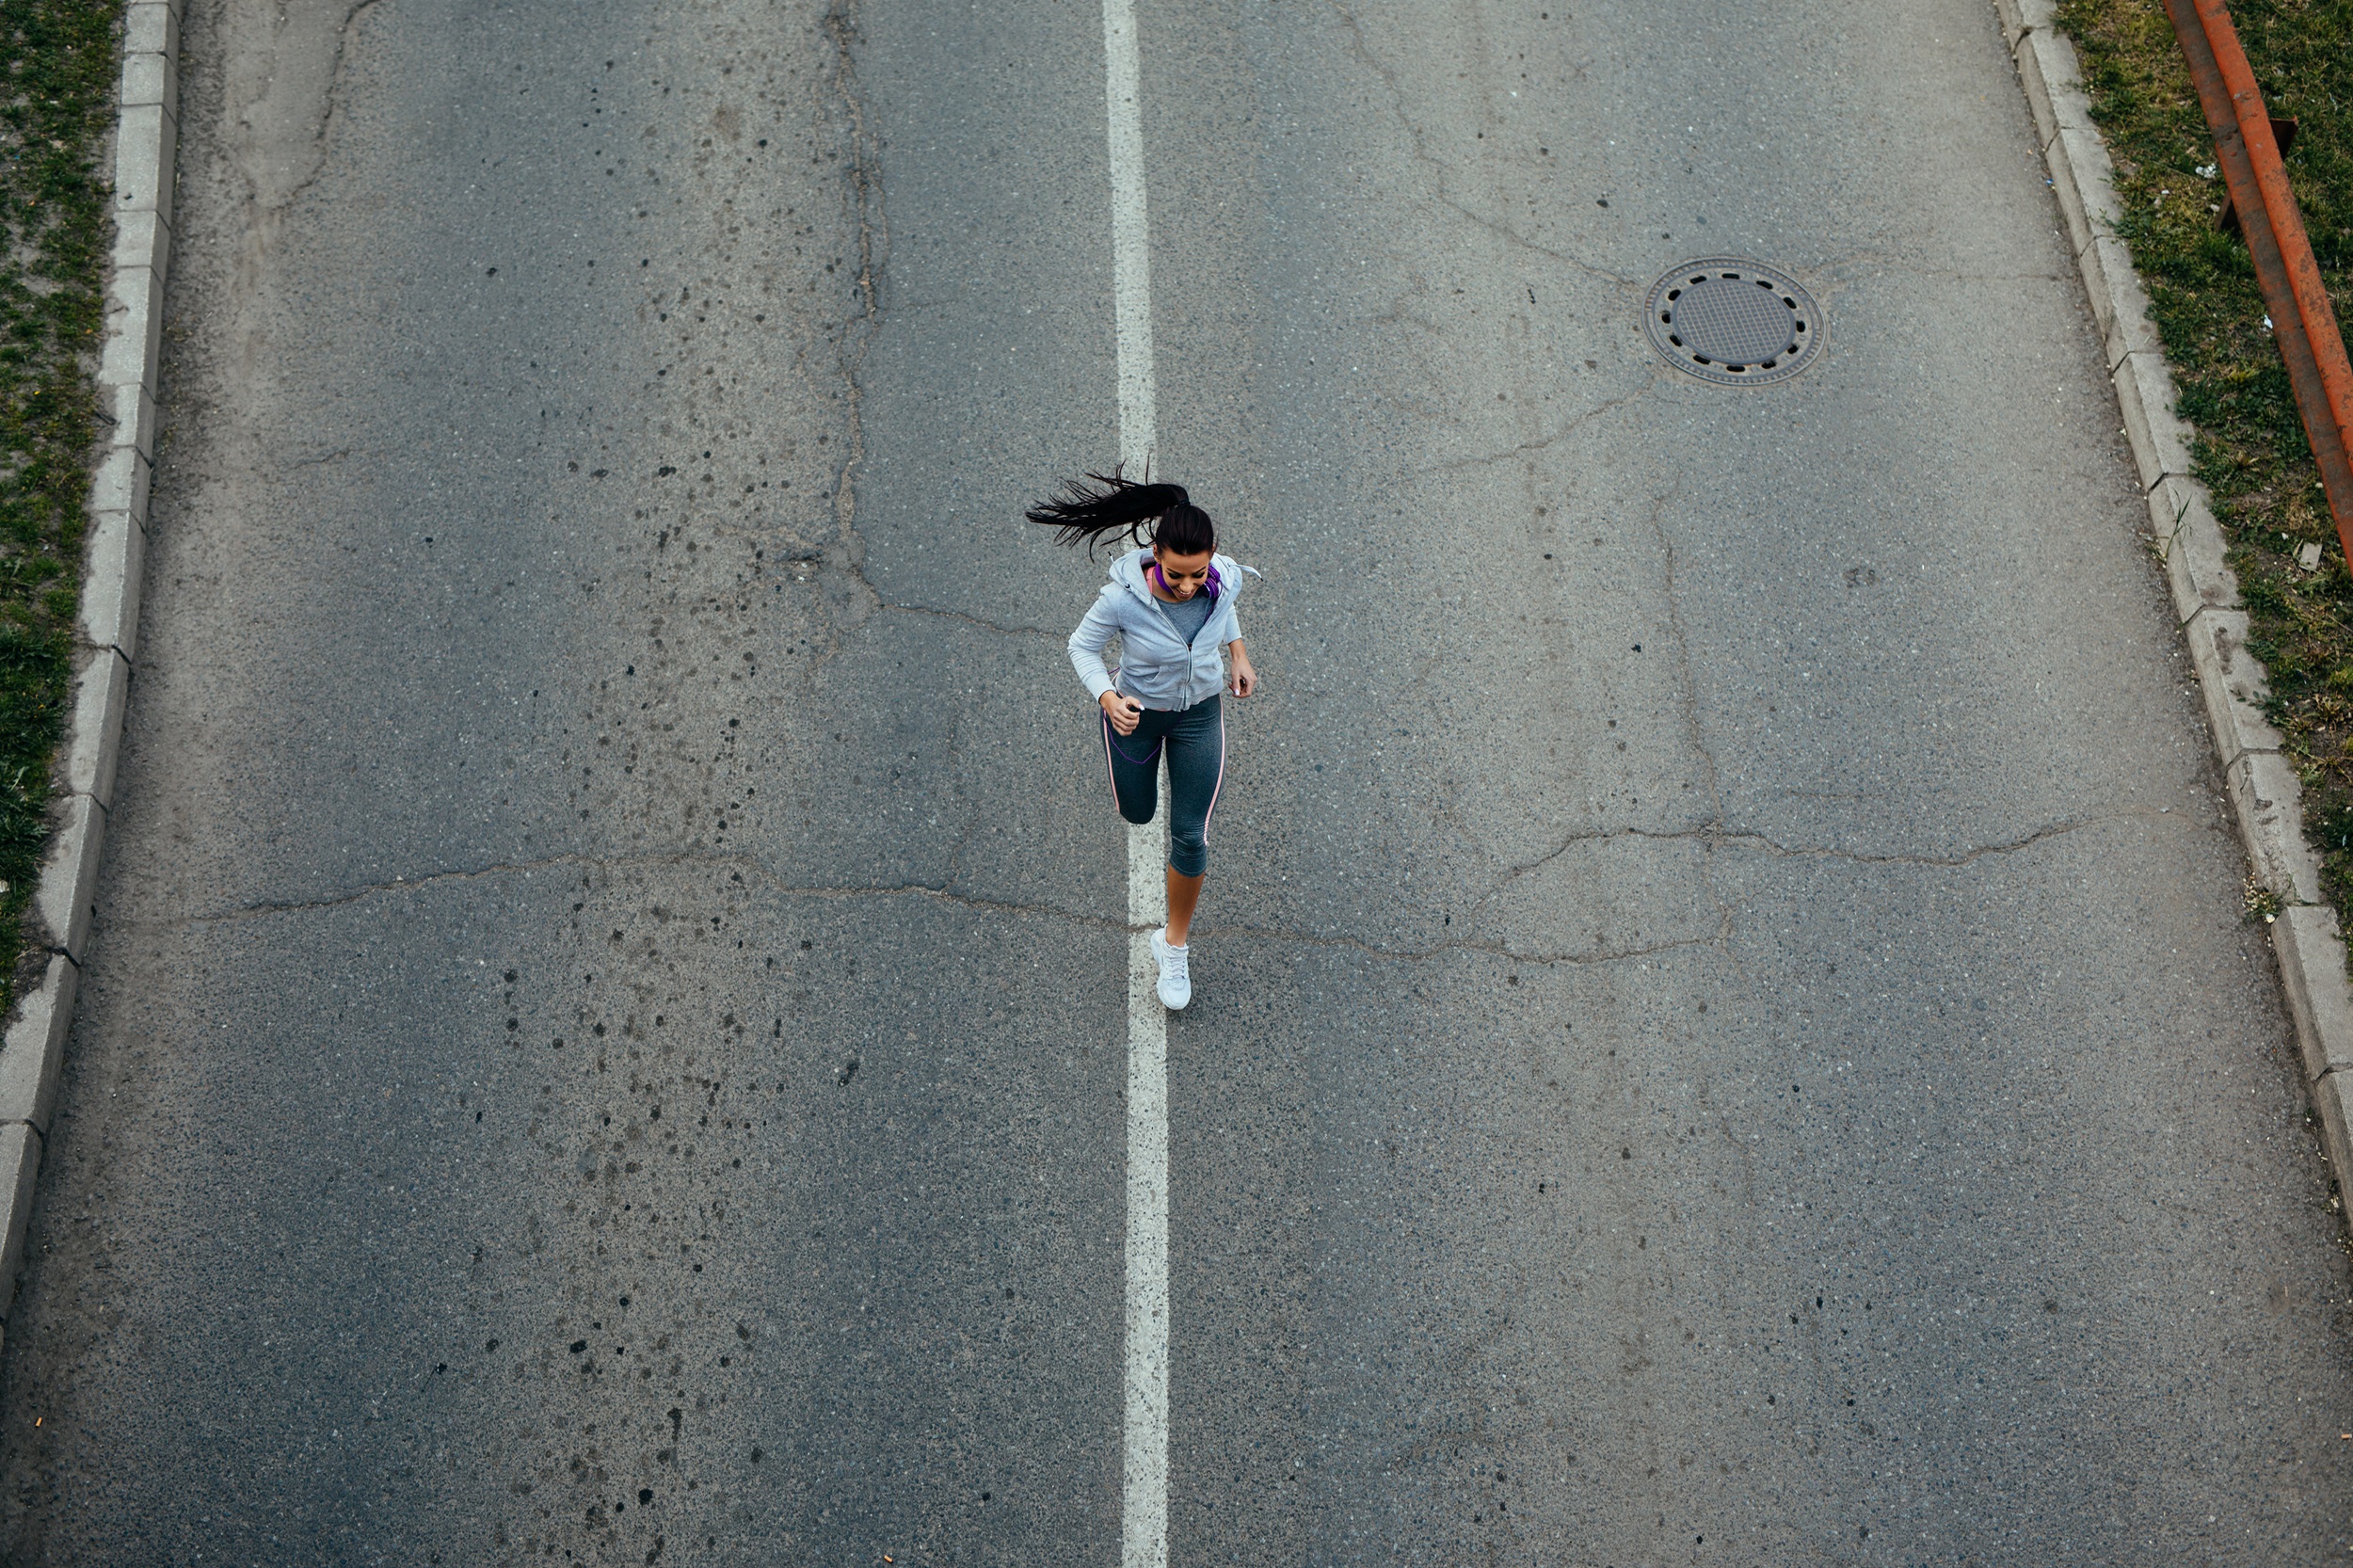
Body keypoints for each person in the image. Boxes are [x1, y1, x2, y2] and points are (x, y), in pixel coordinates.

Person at [1030, 472, 1258, 1010]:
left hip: (1200, 716)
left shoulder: (1222, 577)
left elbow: (1222, 609)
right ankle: (1125, 745)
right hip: (1135, 717)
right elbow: (1081, 648)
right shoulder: (1121, 599)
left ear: (1214, 557)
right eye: (1176, 575)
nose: (1186, 586)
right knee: (1138, 813)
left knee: (1190, 837)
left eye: (1197, 574)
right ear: (1155, 554)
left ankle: (1173, 945)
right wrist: (1108, 698)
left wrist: (1239, 653)